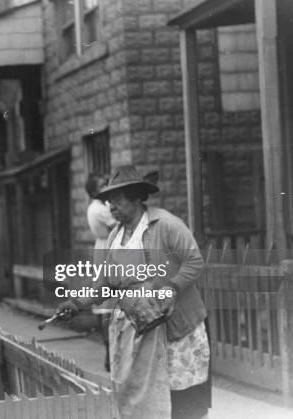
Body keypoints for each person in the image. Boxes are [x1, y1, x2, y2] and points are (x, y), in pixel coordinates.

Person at [58, 165, 210, 419]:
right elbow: (106, 281)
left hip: (172, 328)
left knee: (180, 398)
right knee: (140, 397)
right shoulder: (116, 234)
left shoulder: (167, 225)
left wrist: (171, 287)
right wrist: (77, 303)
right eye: (108, 202)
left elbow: (194, 262)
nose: (111, 207)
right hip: (137, 329)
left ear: (137, 197)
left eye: (117, 200)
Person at [85, 173, 116, 371]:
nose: (108, 186)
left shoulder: (102, 206)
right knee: (107, 304)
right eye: (103, 184)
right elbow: (118, 225)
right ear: (95, 191)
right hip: (108, 250)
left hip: (104, 249)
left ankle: (111, 353)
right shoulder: (99, 209)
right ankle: (110, 352)